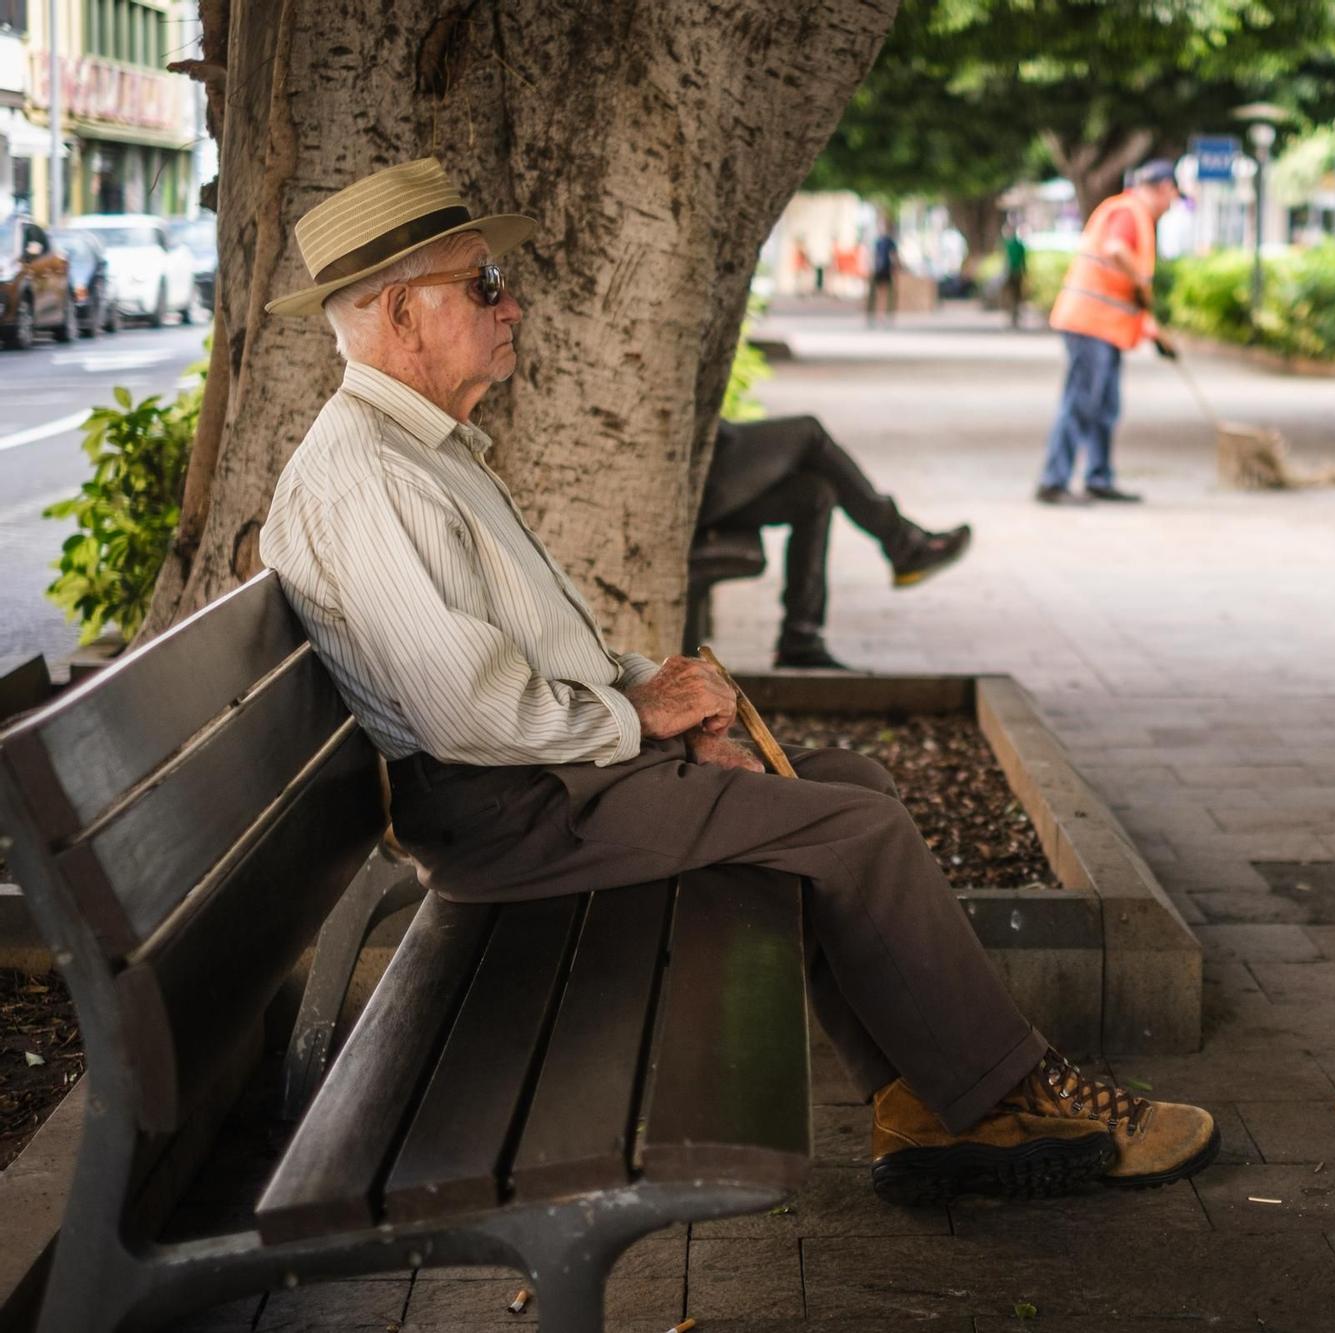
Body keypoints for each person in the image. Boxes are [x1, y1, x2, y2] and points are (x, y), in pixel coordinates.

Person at [257, 158, 1218, 1206]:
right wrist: (640, 719)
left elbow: (532, 655)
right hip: (516, 814)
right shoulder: (370, 478)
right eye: (483, 283)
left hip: (541, 782)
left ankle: (921, 1102)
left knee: (851, 782)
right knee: (854, 834)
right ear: (402, 314)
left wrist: (656, 696)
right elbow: (474, 711)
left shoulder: (419, 449)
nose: (512, 302)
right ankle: (1013, 1091)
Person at [701, 414, 972, 670]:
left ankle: (801, 640)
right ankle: (905, 544)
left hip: (708, 463)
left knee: (816, 495)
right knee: (809, 433)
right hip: (699, 482)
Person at [1035, 159, 1183, 506]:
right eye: (1173, 195)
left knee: (1105, 406)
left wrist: (1158, 337)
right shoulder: (1129, 212)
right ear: (1164, 188)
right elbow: (1116, 252)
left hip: (1107, 328)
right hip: (1090, 325)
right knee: (1081, 403)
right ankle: (1053, 482)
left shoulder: (1133, 214)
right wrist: (1142, 280)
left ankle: (1099, 478)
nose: (1171, 204)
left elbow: (1130, 299)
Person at [865, 225, 898, 325]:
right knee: (883, 293)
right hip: (884, 269)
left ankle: (880, 314)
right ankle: (880, 314)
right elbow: (893, 256)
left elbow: (875, 256)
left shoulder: (881, 242)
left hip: (881, 269)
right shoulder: (886, 242)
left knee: (881, 293)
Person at [1002, 223, 1029, 330]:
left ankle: (1014, 315)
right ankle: (1014, 315)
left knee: (1013, 295)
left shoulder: (1010, 245)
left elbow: (1007, 261)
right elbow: (1023, 261)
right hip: (1016, 273)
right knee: (1016, 295)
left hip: (1012, 273)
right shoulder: (1017, 245)